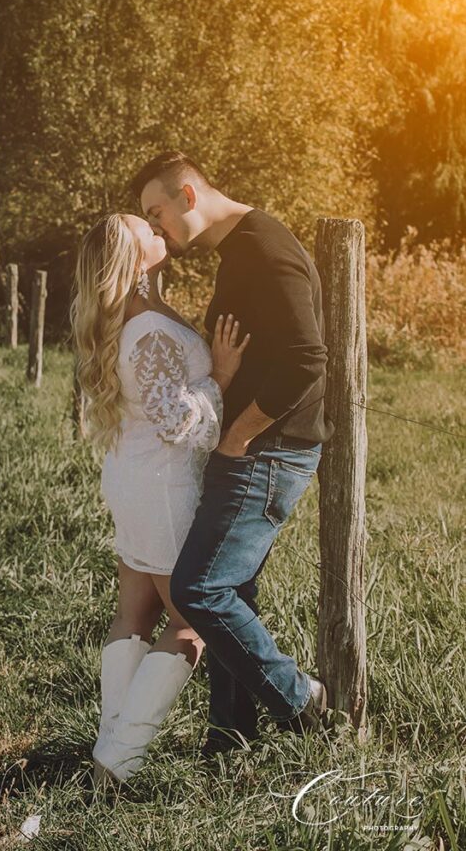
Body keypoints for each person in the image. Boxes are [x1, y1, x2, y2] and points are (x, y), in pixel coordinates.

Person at [130, 149, 336, 756]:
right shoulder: (239, 249)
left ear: (188, 195)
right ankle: (230, 739)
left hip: (267, 450)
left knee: (199, 589)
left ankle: (306, 704)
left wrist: (241, 433)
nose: (155, 227)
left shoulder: (263, 248)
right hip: (246, 447)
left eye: (157, 211)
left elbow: (307, 358)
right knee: (230, 590)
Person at [70, 213, 251, 782]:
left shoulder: (138, 315)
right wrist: (219, 379)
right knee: (187, 624)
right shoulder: (147, 329)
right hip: (162, 488)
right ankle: (118, 761)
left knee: (135, 612)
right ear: (133, 256)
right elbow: (177, 423)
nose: (158, 229)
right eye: (145, 228)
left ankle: (109, 746)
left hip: (135, 477)